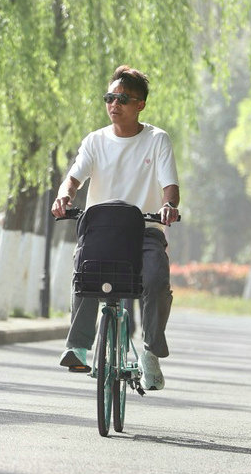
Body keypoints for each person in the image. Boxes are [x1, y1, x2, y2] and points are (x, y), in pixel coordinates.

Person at [51, 65, 179, 392]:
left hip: (144, 230)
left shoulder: (157, 140)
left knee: (155, 277)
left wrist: (169, 206)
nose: (114, 104)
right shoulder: (95, 141)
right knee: (85, 271)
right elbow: (73, 179)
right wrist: (64, 196)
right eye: (109, 98)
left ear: (140, 105)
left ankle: (151, 352)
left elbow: (170, 185)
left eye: (122, 99)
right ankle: (78, 347)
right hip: (102, 231)